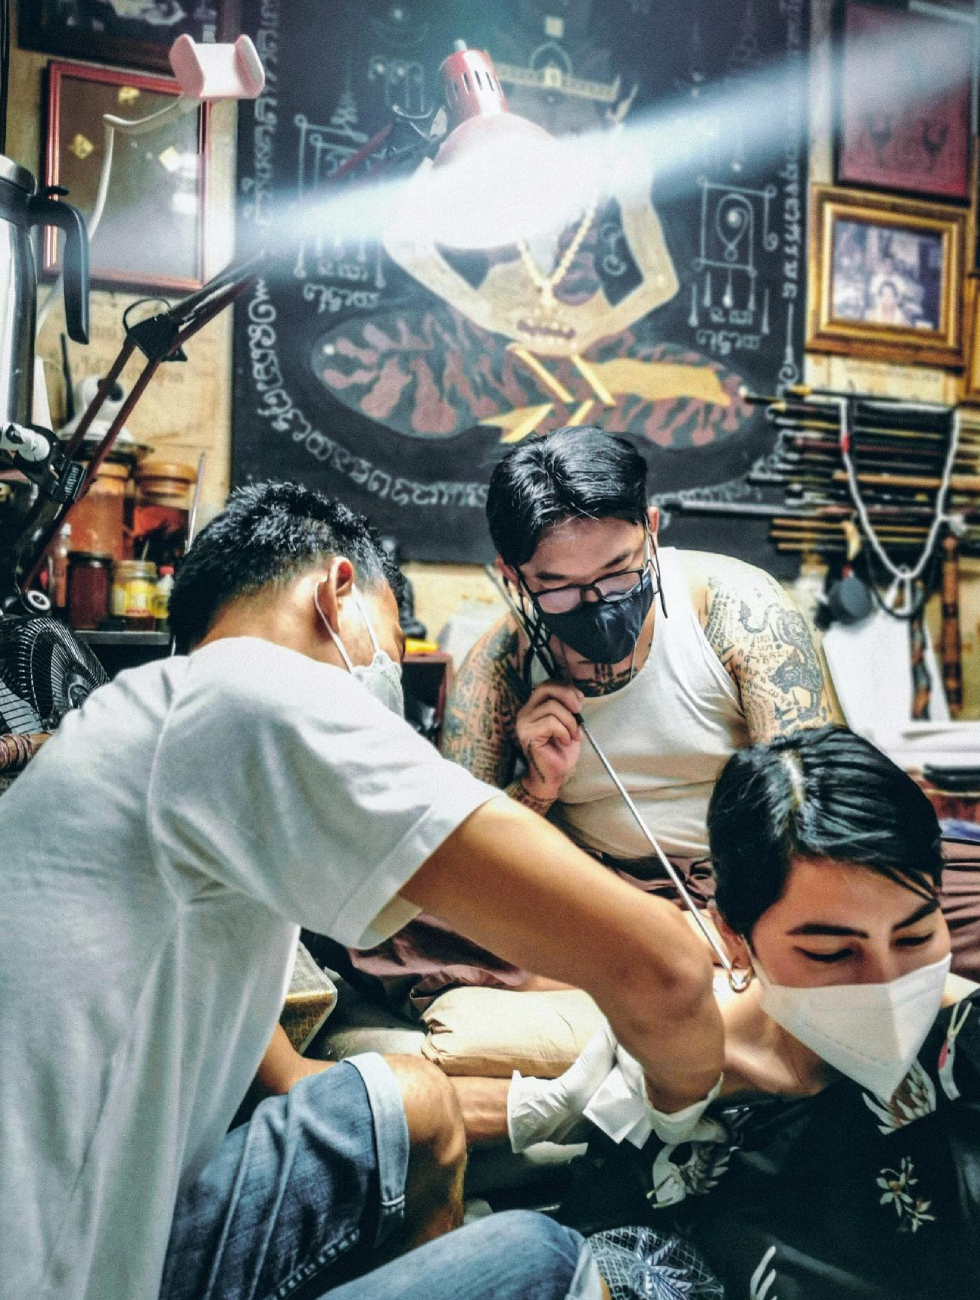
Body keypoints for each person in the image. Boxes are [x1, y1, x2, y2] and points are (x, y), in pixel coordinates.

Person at [0, 481, 722, 1300]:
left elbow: (298, 1082)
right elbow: (660, 967)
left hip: (106, 1235)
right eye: (393, 650)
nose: (390, 681)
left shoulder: (160, 747)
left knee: (402, 1101)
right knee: (545, 1260)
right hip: (55, 1275)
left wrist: (548, 1107)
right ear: (336, 590)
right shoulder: (246, 694)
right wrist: (678, 1101)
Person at [327, 424, 843, 1012]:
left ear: (651, 531)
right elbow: (458, 863)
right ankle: (674, 958)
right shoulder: (499, 665)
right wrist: (538, 787)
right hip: (596, 896)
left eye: (619, 571)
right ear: (514, 576)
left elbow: (816, 808)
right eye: (560, 588)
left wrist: (738, 910)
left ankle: (646, 961)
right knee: (387, 924)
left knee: (868, 890)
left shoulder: (742, 612)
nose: (597, 601)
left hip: (745, 881)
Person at [488, 727, 980, 1300]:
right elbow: (613, 1247)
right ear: (734, 938)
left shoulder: (961, 1046)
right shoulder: (686, 1081)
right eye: (830, 953)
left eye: (916, 936)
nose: (887, 984)